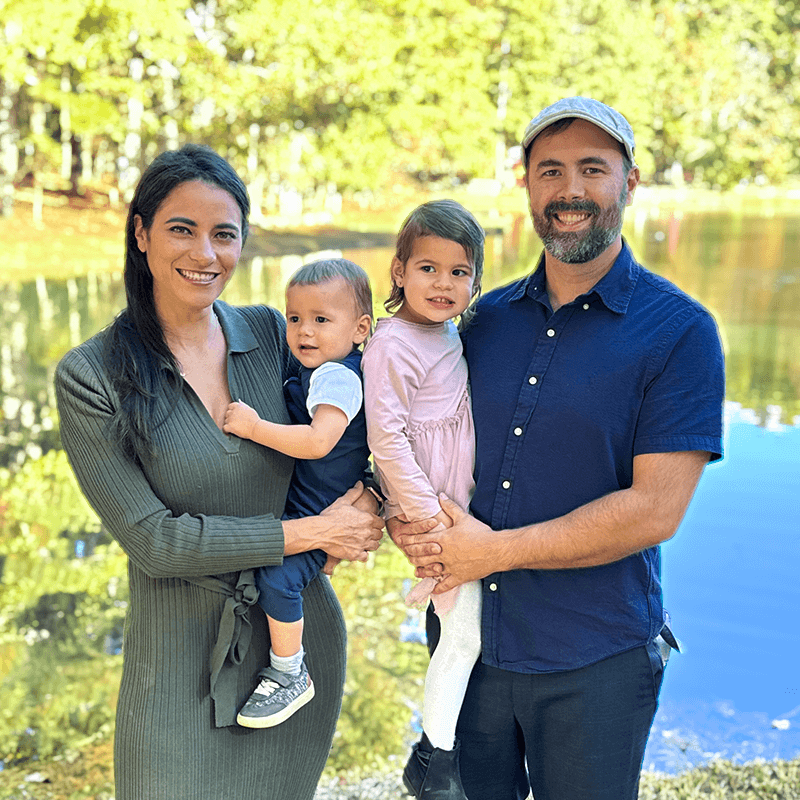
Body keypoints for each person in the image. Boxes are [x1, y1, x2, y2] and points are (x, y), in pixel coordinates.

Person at [391, 97, 726, 800]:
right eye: (551, 170)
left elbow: (655, 511)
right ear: (527, 185)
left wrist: (496, 551)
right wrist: (402, 517)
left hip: (595, 661)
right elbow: (418, 438)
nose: (570, 191)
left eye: (591, 169)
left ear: (629, 184)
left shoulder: (680, 333)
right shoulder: (475, 321)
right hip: (471, 646)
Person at [54, 144, 383, 800]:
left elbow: (351, 428)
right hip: (176, 668)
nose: (205, 254)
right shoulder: (91, 376)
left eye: (224, 235)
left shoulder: (273, 333)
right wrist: (315, 532)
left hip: (293, 655)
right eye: (182, 229)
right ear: (141, 233)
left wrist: (373, 499)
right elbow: (156, 541)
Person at [361, 199, 485, 800]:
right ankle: (433, 760)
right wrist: (425, 515)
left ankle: (440, 752)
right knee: (462, 635)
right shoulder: (392, 344)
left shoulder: (444, 331)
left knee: (460, 626)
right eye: (428, 269)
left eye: (458, 272)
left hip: (457, 499)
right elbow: (386, 438)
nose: (443, 284)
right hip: (433, 505)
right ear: (399, 272)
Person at [222, 258, 373, 729]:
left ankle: (290, 672)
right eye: (295, 319)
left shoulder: (338, 377)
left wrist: (253, 427)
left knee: (279, 579)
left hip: (316, 509)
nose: (304, 332)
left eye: (321, 320)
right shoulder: (318, 367)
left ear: (361, 328)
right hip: (309, 502)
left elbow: (318, 441)